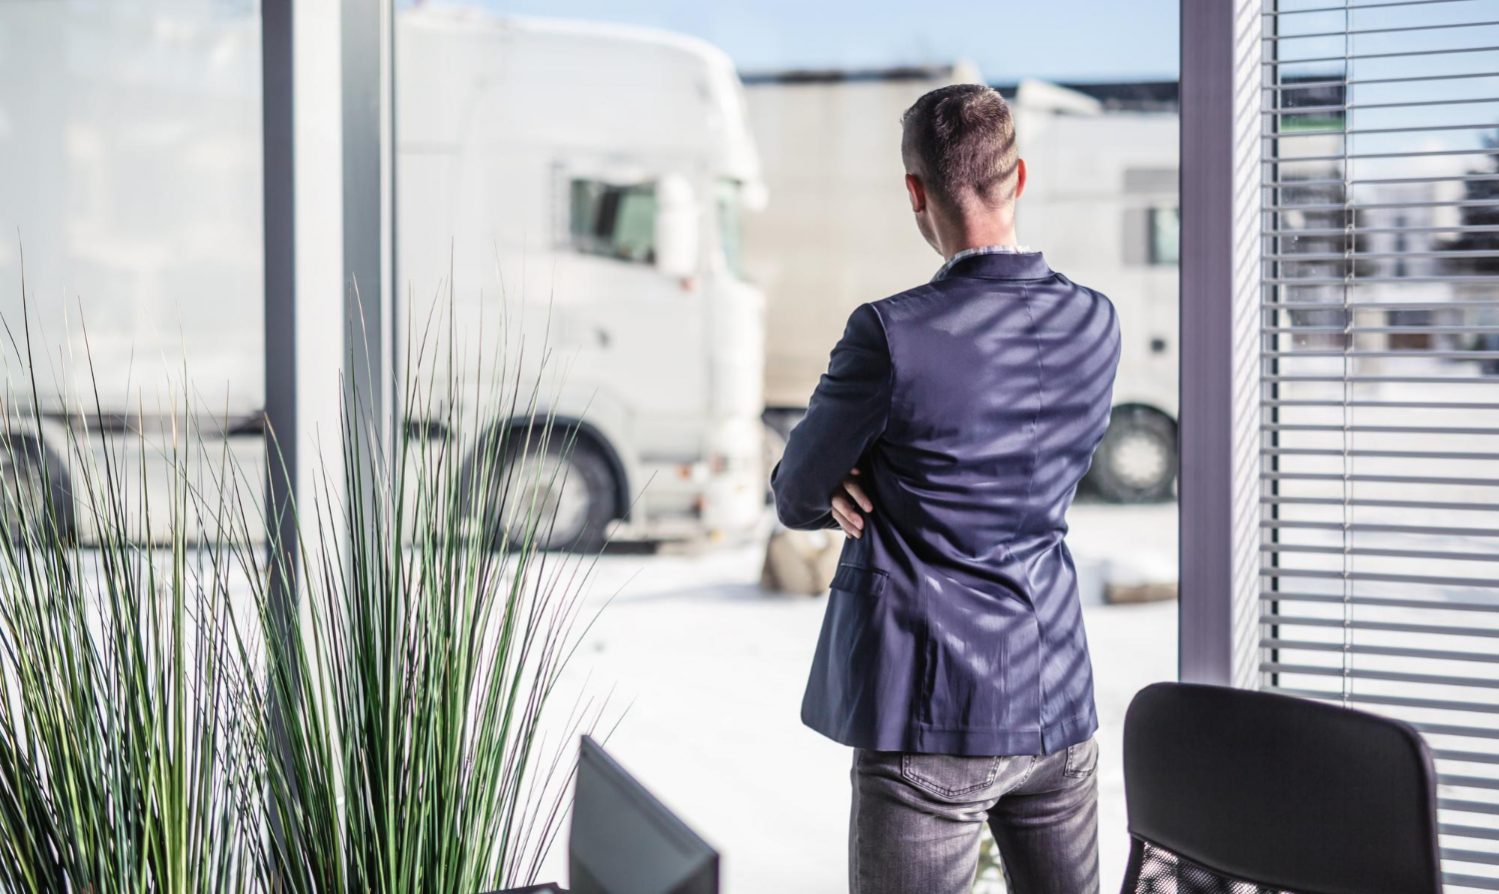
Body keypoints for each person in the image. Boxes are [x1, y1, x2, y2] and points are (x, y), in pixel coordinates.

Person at [770, 84, 1121, 894]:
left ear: (914, 192)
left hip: (932, 712)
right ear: (1018, 177)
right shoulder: (1094, 322)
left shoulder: (889, 332)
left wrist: (843, 480)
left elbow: (796, 493)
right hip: (1056, 703)